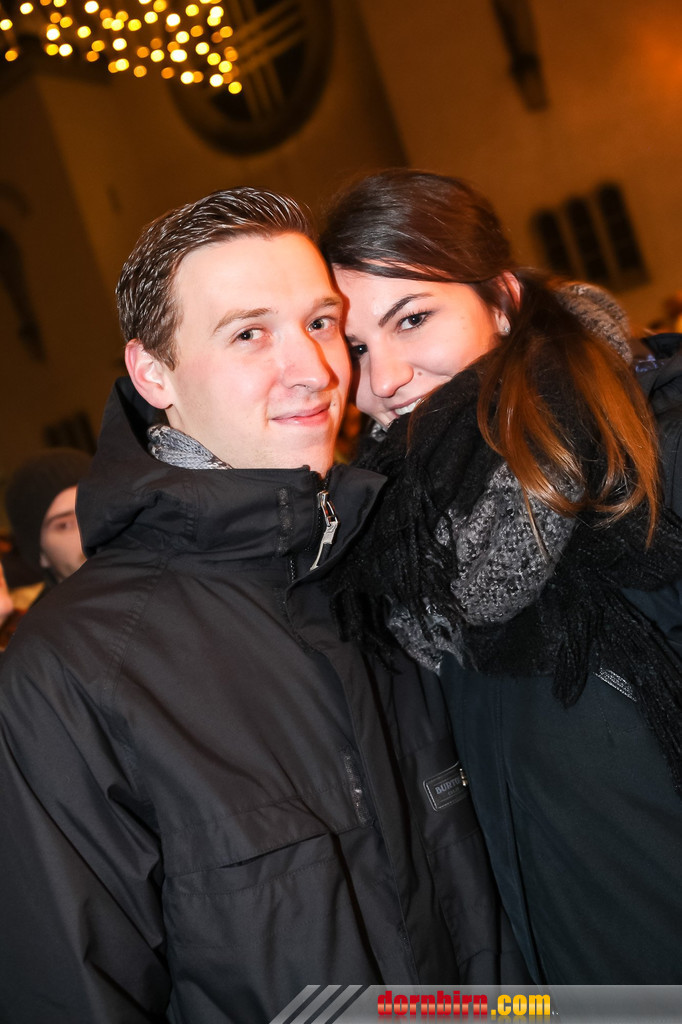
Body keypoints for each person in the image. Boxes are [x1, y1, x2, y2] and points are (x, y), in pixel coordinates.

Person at [0, 187, 528, 1024]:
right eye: (249, 333)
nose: (315, 370)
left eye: (321, 322)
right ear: (153, 372)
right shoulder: (76, 670)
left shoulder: (384, 576)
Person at [319, 168, 682, 985]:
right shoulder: (391, 554)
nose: (385, 380)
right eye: (356, 349)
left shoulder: (653, 457)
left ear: (503, 301)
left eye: (413, 318)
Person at [0, 447, 91, 650]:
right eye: (64, 525)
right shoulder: (44, 647)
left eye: (92, 511)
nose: (88, 532)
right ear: (41, 555)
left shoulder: (159, 588)